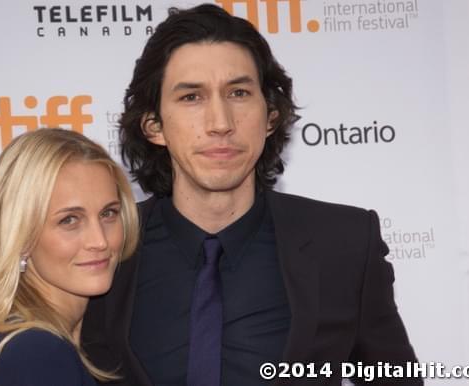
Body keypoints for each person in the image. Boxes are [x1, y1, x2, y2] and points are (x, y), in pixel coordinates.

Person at [82, 4, 421, 386]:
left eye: (239, 93)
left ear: (271, 116)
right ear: (154, 125)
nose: (221, 123)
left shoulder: (345, 243)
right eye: (191, 97)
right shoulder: (104, 247)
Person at [0, 129, 139, 386]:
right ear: (21, 236)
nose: (100, 241)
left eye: (108, 214)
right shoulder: (35, 353)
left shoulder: (34, 343)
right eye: (69, 220)